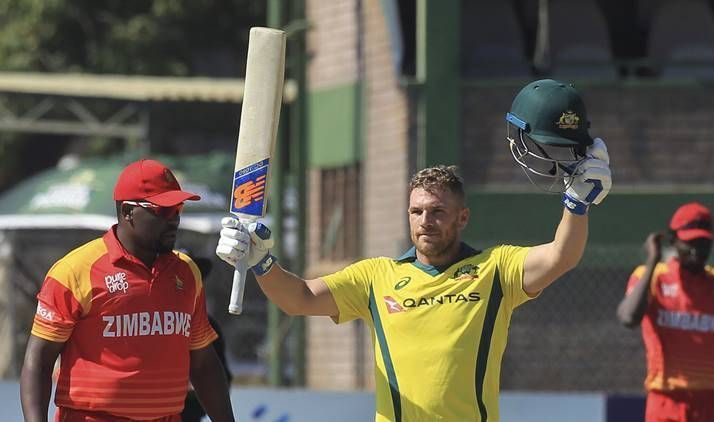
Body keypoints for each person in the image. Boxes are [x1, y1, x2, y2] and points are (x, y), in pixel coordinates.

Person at [216, 79, 612, 421]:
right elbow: (300, 298)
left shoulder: (495, 269)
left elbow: (563, 255)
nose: (425, 220)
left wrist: (576, 204)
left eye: (438, 212)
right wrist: (261, 261)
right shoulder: (375, 277)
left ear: (462, 218)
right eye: (417, 211)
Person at [20, 159, 234, 422]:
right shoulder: (74, 271)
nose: (175, 219)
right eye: (163, 210)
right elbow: (38, 362)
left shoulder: (187, 273)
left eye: (178, 208)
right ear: (128, 211)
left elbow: (203, 364)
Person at [617, 202, 714, 422]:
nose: (696, 250)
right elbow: (628, 318)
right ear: (673, 240)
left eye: (703, 243)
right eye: (690, 242)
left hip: (712, 403)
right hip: (666, 400)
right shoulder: (653, 277)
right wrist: (653, 260)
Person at [180, 254, 233, 422]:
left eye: (193, 278)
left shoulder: (209, 327)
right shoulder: (149, 322)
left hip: (189, 413)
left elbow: (216, 374)